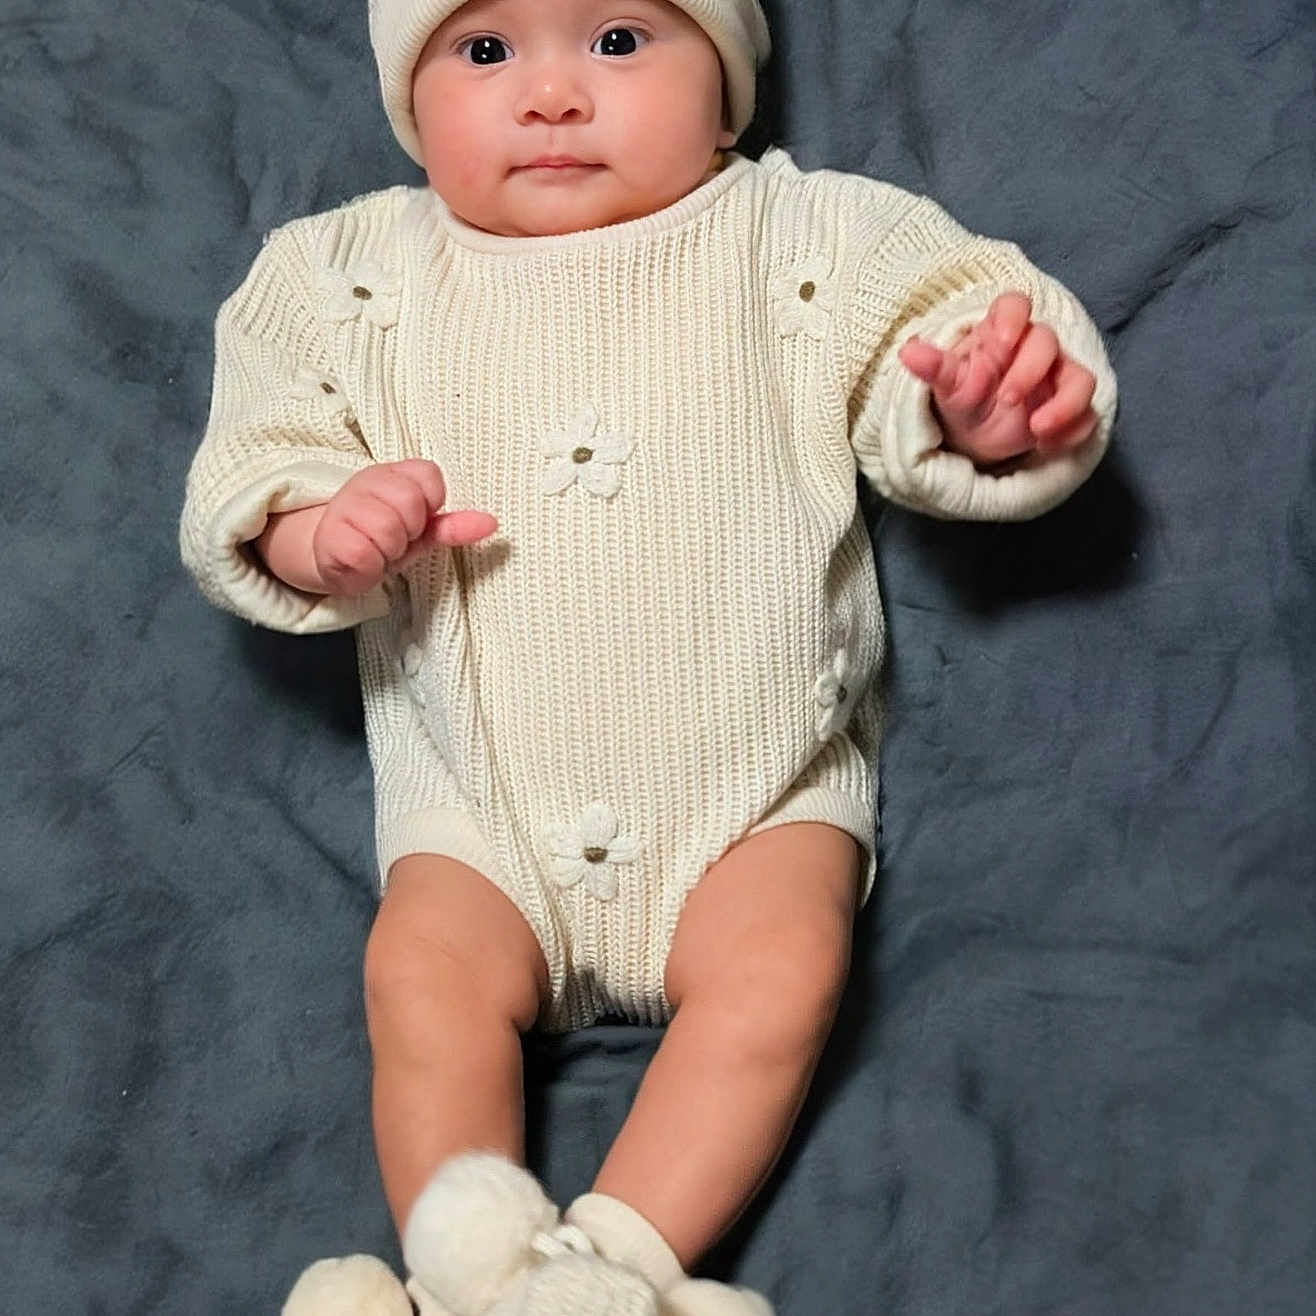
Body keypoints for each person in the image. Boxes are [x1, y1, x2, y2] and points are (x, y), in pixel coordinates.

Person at [179, 0, 1117, 1311]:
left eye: (619, 40)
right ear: (407, 99)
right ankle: (464, 1267)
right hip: (479, 814)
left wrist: (986, 401)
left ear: (726, 90)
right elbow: (256, 462)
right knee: (416, 975)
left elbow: (962, 318)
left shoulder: (804, 238)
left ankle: (613, 1267)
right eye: (486, 49)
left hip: (755, 802)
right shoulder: (344, 275)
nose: (552, 94)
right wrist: (316, 533)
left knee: (782, 973)